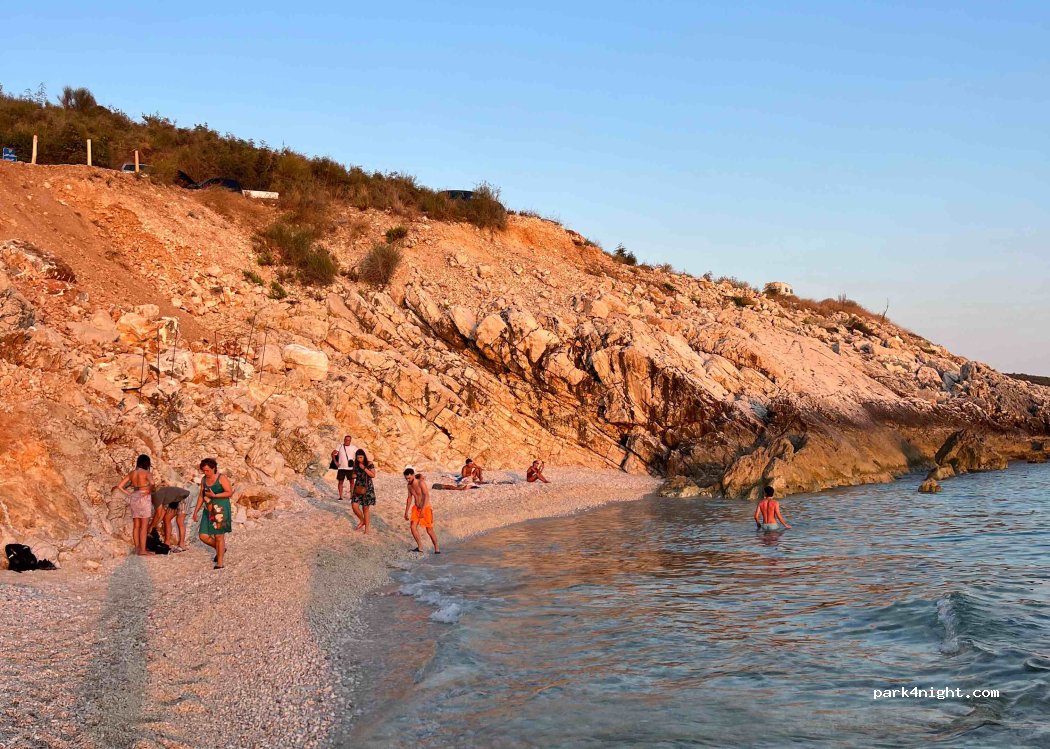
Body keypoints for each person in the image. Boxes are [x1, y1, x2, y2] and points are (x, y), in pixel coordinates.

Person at [193, 458, 233, 569]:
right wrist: (196, 511)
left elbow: (229, 492)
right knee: (203, 536)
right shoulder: (204, 479)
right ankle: (220, 548)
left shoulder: (221, 478)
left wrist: (215, 495)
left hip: (221, 509)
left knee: (219, 536)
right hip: (208, 509)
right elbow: (201, 495)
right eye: (203, 471)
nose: (205, 473)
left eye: (207, 470)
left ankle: (220, 563)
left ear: (214, 468)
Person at [117, 454, 157, 556]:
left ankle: (137, 548)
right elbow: (152, 483)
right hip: (144, 497)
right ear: (147, 463)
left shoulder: (132, 473)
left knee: (136, 525)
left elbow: (120, 486)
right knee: (144, 525)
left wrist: (129, 494)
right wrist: (149, 490)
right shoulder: (147, 473)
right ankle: (143, 550)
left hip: (134, 496)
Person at [404, 467, 439, 554]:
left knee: (429, 530)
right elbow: (409, 498)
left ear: (413, 475)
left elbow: (426, 496)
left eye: (409, 478)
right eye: (406, 478)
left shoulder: (421, 483)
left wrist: (423, 510)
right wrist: (406, 512)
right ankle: (420, 547)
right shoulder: (409, 486)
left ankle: (437, 548)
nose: (408, 480)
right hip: (416, 508)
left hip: (426, 508)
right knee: (413, 526)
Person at [149, 485, 191, 552]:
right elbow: (162, 513)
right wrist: (154, 525)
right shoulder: (158, 495)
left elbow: (158, 514)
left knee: (179, 520)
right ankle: (167, 543)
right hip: (175, 500)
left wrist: (151, 526)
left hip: (184, 496)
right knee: (166, 519)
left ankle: (182, 544)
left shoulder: (156, 496)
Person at [349, 448, 377, 533]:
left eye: (361, 457)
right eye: (358, 458)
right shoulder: (356, 465)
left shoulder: (369, 464)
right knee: (354, 506)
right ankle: (362, 520)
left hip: (367, 488)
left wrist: (364, 468)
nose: (359, 459)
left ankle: (367, 529)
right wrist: (353, 475)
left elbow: (373, 475)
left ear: (364, 456)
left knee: (365, 509)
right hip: (358, 488)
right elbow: (353, 475)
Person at [332, 435, 360, 501]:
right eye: (346, 440)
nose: (347, 441)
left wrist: (356, 463)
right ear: (344, 440)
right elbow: (333, 454)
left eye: (348, 440)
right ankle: (340, 496)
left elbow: (360, 454)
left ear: (350, 441)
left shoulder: (353, 447)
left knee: (352, 482)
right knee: (340, 482)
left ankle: (352, 496)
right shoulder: (340, 446)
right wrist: (335, 462)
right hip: (341, 468)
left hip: (350, 468)